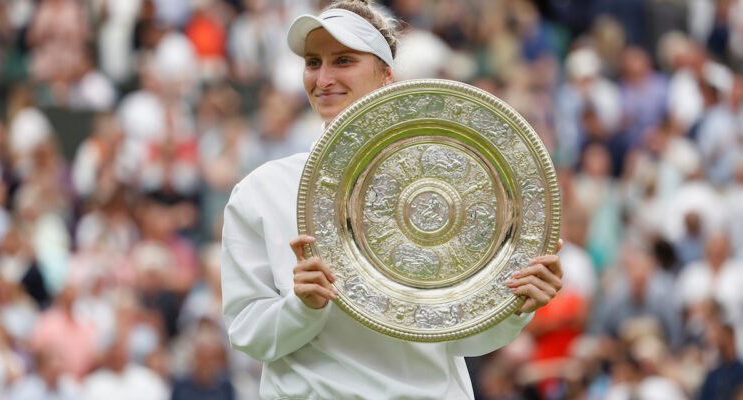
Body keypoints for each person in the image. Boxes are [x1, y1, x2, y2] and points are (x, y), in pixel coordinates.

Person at [221, 1, 564, 398]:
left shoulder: (445, 185)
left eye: (344, 60)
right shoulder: (262, 191)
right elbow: (248, 335)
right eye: (313, 63)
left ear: (386, 76)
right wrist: (304, 307)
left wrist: (517, 305)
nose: (323, 78)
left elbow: (463, 339)